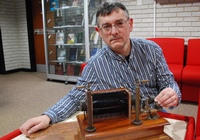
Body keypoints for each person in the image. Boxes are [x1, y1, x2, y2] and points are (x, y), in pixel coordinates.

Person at [20, 2, 181, 137]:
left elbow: (169, 83)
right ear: (99, 32)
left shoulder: (152, 50)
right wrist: (48, 116)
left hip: (152, 121)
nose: (114, 32)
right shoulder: (95, 64)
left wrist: (173, 94)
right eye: (106, 26)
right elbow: (75, 98)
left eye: (119, 23)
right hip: (120, 126)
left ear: (130, 24)